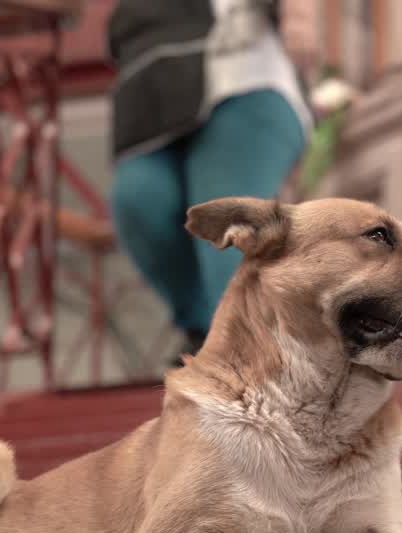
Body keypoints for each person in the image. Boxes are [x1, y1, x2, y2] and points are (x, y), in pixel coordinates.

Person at [107, 0, 316, 365]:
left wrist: (300, 14)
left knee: (224, 224)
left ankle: (240, 344)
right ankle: (208, 329)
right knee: (137, 199)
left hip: (242, 80)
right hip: (150, 97)